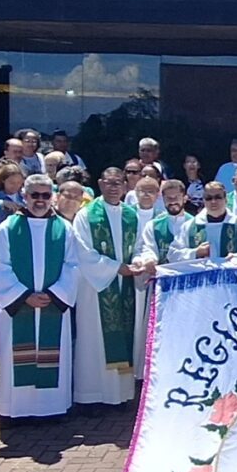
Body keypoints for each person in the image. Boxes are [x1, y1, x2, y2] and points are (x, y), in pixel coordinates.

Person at [0, 175, 77, 426]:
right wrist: (24, 296)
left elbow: (72, 266)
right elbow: (0, 266)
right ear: (24, 196)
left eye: (45, 195)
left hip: (52, 305)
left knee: (53, 358)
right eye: (34, 195)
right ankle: (14, 411)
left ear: (53, 197)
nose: (40, 200)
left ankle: (51, 409)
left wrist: (54, 295)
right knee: (15, 358)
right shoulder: (7, 228)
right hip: (19, 307)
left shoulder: (64, 228)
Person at [66, 169, 144, 407]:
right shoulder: (86, 215)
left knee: (126, 336)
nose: (113, 188)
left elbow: (141, 245)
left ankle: (121, 395)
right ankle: (91, 397)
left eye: (118, 183)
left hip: (126, 286)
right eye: (109, 183)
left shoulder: (132, 215)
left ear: (125, 186)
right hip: (95, 288)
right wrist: (114, 268)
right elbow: (83, 252)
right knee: (93, 341)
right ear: (100, 183)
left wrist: (139, 261)